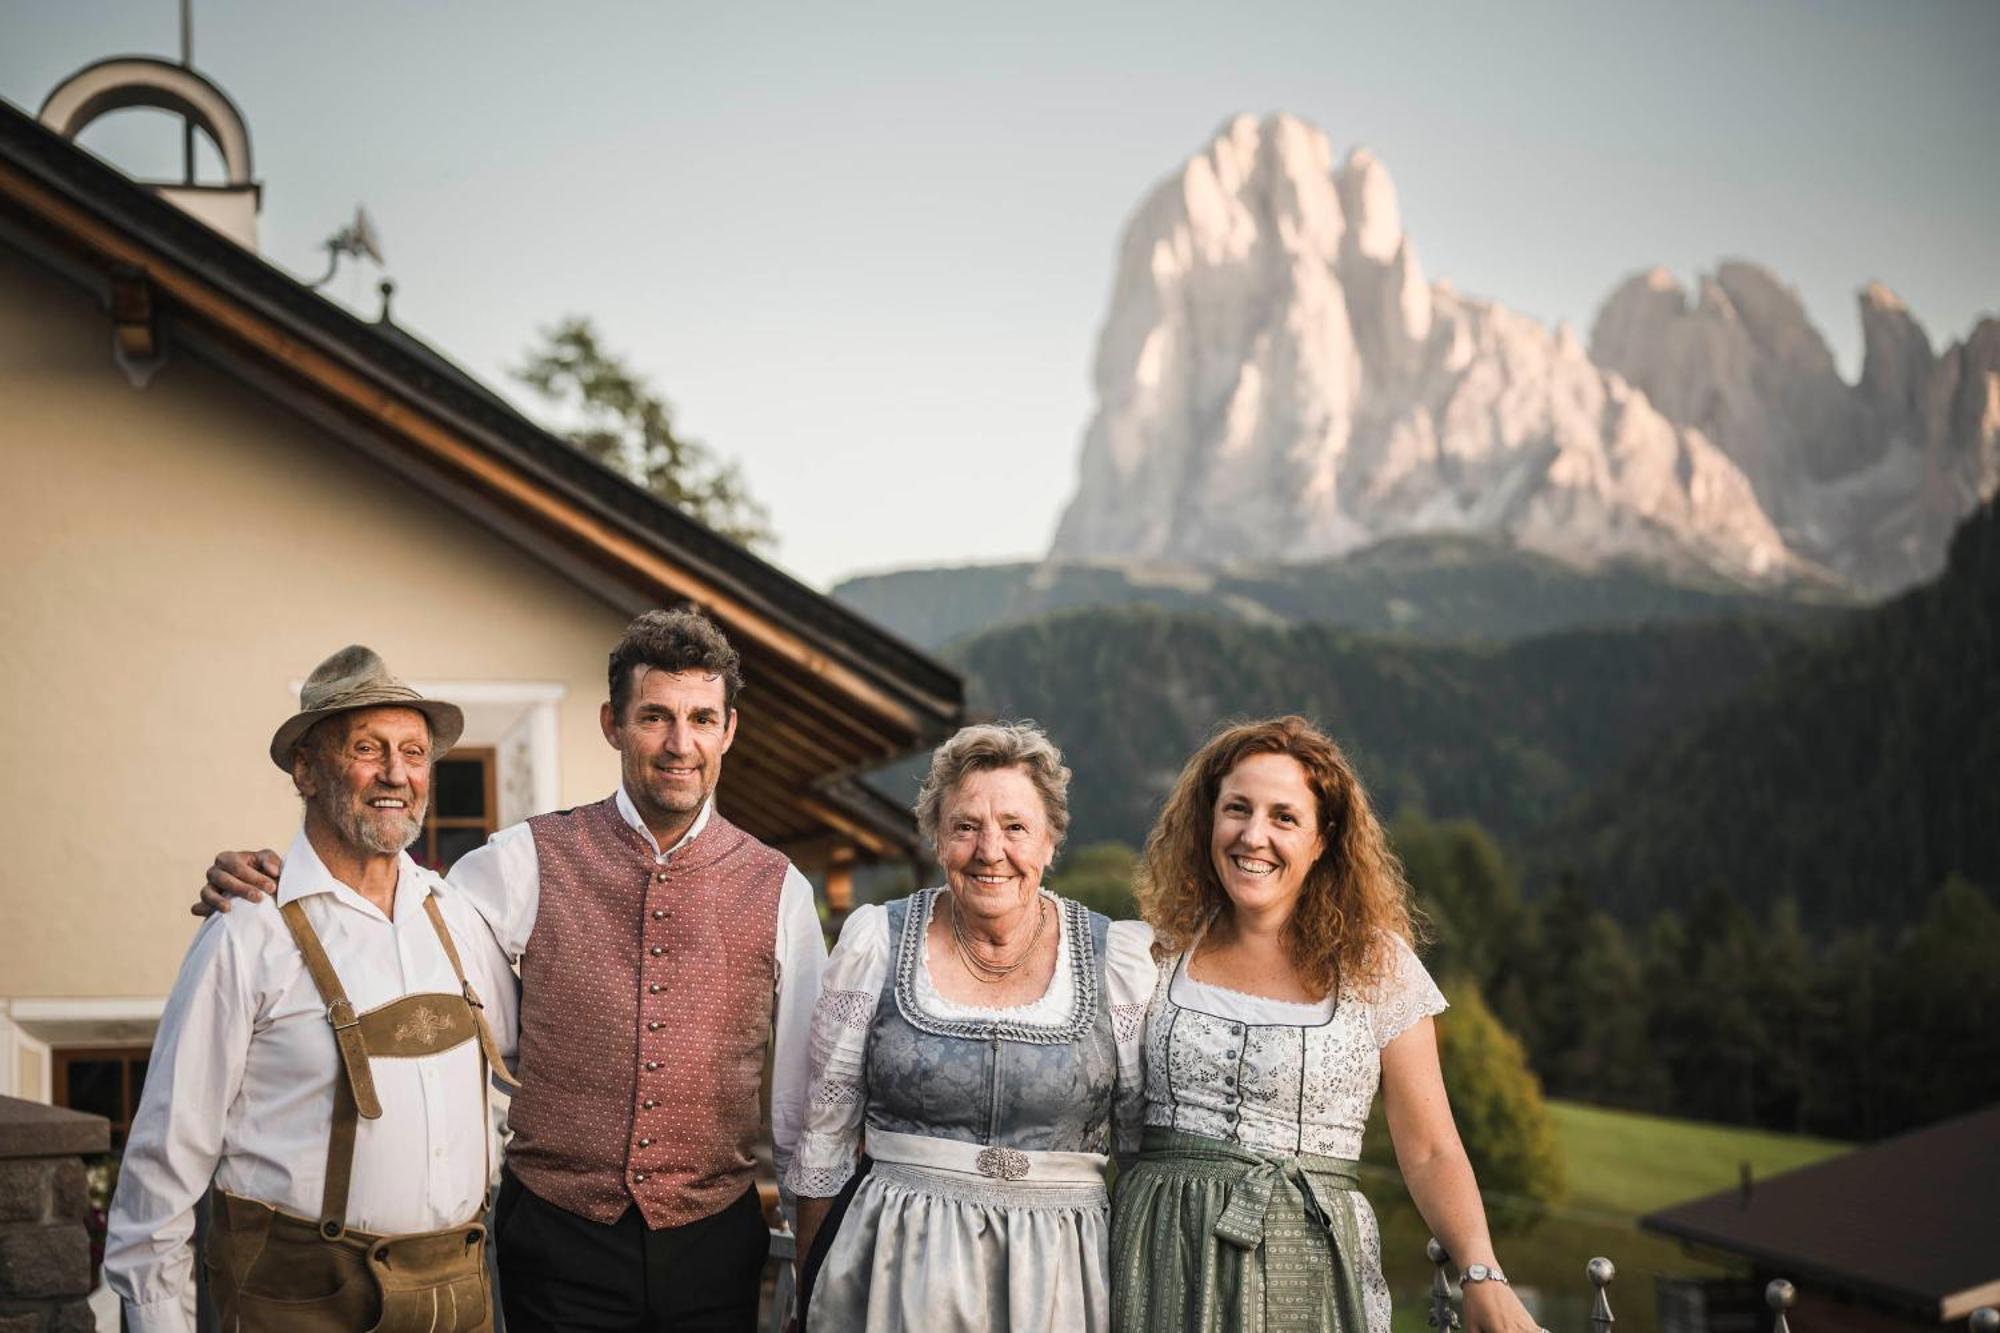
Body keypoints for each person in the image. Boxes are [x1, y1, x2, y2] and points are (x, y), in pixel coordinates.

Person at [199, 609, 828, 1332]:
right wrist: (276, 880)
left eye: (701, 718)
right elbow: (387, 923)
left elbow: (803, 1103)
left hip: (714, 1242)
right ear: (612, 723)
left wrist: (813, 1249)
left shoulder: (779, 887)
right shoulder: (524, 857)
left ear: (729, 730)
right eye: (654, 716)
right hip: (558, 1241)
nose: (679, 743)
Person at [106, 646, 521, 1332]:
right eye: (368, 747)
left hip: (458, 1299)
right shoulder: (245, 936)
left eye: (414, 752)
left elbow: (520, 1078)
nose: (396, 773)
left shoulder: (461, 920)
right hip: (298, 1303)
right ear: (305, 768)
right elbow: (159, 1178)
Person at [1110, 715, 1543, 1333]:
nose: (1253, 835)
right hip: (1161, 1250)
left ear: (1323, 839)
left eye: (1284, 817)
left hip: (1311, 1258)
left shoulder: (1377, 965)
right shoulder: (1154, 954)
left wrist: (1481, 1273)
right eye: (1237, 809)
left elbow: (1429, 1148)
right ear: (1209, 819)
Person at [786, 722, 1155, 1332]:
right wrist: (810, 1296)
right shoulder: (877, 941)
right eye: (966, 826)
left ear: (1049, 842)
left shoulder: (1115, 958)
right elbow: (825, 1140)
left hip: (1059, 1274)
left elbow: (1142, 1158)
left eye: (1015, 827)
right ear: (937, 837)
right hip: (895, 1266)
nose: (990, 850)